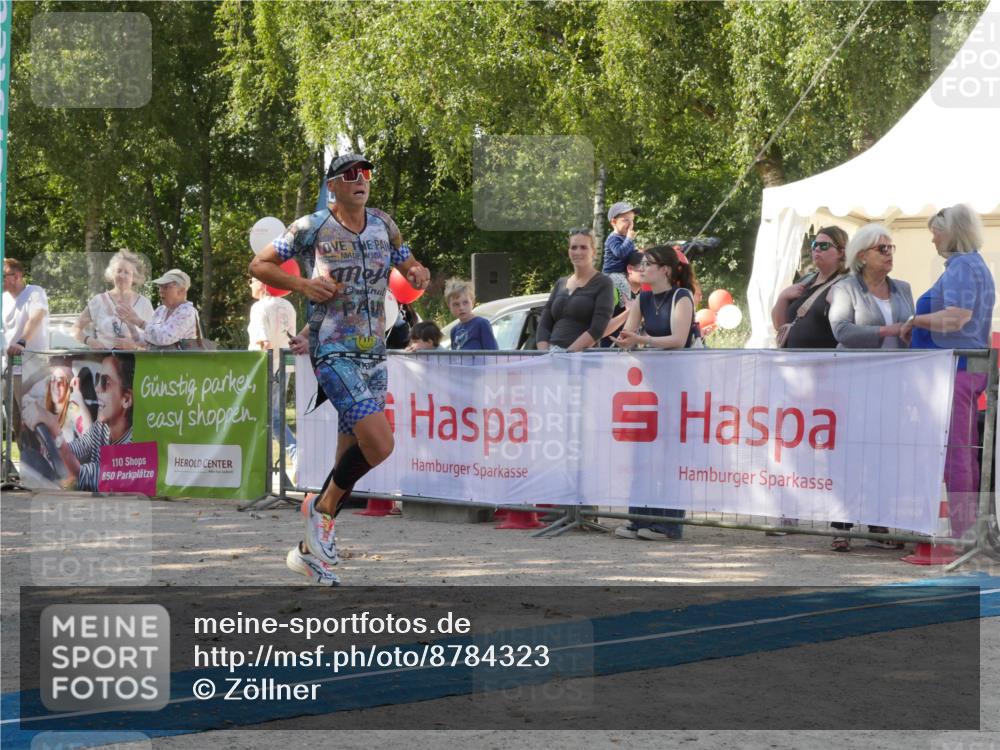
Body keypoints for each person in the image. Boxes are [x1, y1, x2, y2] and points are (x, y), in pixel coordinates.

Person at [250, 152, 430, 586]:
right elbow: (260, 265)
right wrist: (303, 284)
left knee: (350, 455)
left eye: (365, 173)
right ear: (332, 185)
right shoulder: (311, 227)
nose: (360, 179)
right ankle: (321, 508)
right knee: (381, 443)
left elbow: (407, 263)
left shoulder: (383, 223)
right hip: (333, 348)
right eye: (349, 175)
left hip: (375, 353)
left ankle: (311, 553)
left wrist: (419, 272)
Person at [902, 204, 996, 540]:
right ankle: (967, 528)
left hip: (953, 370)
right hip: (967, 369)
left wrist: (915, 321)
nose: (932, 238)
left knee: (956, 452)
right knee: (964, 450)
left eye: (935, 231)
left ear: (951, 231)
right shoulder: (978, 267)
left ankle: (962, 531)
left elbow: (958, 317)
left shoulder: (960, 267)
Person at [827, 224, 914, 551]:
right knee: (852, 453)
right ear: (862, 256)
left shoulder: (903, 288)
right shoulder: (846, 288)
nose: (890, 253)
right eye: (883, 248)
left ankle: (879, 522)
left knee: (885, 454)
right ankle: (841, 525)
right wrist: (886, 330)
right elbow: (842, 330)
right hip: (857, 384)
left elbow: (911, 329)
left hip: (894, 384)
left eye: (892, 248)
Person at [612, 245, 699, 541]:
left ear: (665, 269)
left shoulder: (681, 297)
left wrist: (641, 339)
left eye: (648, 263)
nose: (642, 268)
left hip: (677, 387)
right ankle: (638, 519)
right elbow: (631, 332)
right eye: (642, 263)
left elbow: (678, 338)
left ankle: (669, 525)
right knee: (643, 454)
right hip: (649, 388)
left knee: (670, 457)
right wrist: (627, 340)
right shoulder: (643, 297)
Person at [26, 354, 134, 492]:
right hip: (92, 504)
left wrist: (54, 428)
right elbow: (80, 447)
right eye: (97, 380)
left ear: (126, 399)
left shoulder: (132, 443)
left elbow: (83, 474)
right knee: (30, 458)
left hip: (110, 508)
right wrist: (51, 447)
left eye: (105, 383)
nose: (97, 389)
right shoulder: (102, 428)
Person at [248, 276, 298, 469]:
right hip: (285, 365)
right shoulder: (288, 306)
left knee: (270, 416)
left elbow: (264, 342)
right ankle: (263, 465)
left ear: (263, 283)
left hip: (266, 367)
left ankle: (295, 453)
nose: (250, 284)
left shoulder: (260, 307)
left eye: (253, 280)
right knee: (271, 415)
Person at [536, 229, 614, 352]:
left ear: (593, 251)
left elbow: (597, 329)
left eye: (583, 247)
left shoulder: (604, 283)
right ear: (569, 252)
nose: (578, 252)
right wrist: (545, 355)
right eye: (574, 247)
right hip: (551, 358)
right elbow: (544, 324)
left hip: (583, 362)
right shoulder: (560, 283)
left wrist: (566, 355)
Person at [771, 227, 849, 349]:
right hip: (791, 360)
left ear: (841, 252)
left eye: (824, 246)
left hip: (822, 363)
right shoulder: (806, 280)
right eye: (814, 244)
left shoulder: (846, 284)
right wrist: (783, 296)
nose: (817, 249)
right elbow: (778, 325)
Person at [72, 250, 154, 350]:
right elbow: (75, 329)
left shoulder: (144, 304)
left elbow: (154, 339)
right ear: (112, 274)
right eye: (118, 271)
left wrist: (134, 347)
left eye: (127, 272)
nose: (122, 276)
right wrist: (91, 341)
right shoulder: (98, 301)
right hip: (102, 360)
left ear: (134, 277)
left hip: (136, 361)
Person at [118, 269, 201, 349]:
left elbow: (164, 338)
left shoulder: (188, 312)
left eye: (166, 287)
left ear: (181, 291)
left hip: (180, 362)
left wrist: (139, 322)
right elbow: (147, 339)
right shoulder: (160, 310)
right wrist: (130, 323)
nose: (161, 291)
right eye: (160, 287)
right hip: (159, 362)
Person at [3, 258, 49, 357]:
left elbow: (36, 318)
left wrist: (21, 342)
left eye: (2, 276)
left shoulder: (35, 292)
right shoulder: (3, 298)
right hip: (11, 363)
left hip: (35, 364)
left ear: (15, 277)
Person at [601, 250, 644, 347]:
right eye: (643, 268)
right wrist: (628, 312)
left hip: (628, 357)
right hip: (605, 356)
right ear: (629, 269)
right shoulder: (613, 289)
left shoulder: (642, 294)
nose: (647, 272)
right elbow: (599, 330)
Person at [445, 278, 498, 351]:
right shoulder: (454, 331)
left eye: (465, 302)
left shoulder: (481, 324)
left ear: (472, 302)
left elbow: (493, 354)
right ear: (449, 306)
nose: (461, 307)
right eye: (456, 304)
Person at [603, 202, 639, 275]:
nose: (631, 224)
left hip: (625, 273)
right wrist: (629, 238)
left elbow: (629, 254)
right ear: (614, 222)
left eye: (632, 220)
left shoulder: (626, 238)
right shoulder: (612, 238)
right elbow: (620, 253)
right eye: (626, 220)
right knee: (621, 286)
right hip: (612, 275)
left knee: (645, 281)